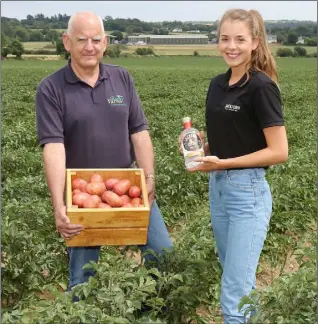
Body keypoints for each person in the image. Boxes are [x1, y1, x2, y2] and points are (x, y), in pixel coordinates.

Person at [35, 11, 172, 293]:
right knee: (83, 277)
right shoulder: (51, 88)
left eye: (96, 39)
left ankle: (151, 311)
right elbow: (54, 147)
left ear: (105, 42)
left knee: (164, 257)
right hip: (82, 194)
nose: (89, 46)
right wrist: (59, 203)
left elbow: (140, 132)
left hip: (128, 189)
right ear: (66, 42)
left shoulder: (121, 78)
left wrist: (149, 177)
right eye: (81, 39)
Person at [181, 9, 288, 324]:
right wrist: (200, 147)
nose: (231, 46)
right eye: (225, 39)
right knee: (240, 283)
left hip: (248, 192)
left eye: (240, 39)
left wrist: (224, 162)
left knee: (233, 291)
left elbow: (279, 151)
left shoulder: (261, 87)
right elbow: (230, 140)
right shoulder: (217, 85)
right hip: (220, 190)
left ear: (255, 42)